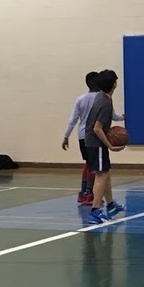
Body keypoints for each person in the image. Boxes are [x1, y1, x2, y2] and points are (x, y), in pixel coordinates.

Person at [83, 70, 126, 225]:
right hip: (96, 142)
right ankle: (95, 212)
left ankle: (111, 205)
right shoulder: (105, 102)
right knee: (101, 175)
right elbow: (97, 128)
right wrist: (110, 145)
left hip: (93, 141)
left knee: (105, 172)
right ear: (114, 84)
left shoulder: (102, 96)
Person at [62, 70, 101, 206]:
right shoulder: (100, 98)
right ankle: (89, 194)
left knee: (88, 164)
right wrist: (123, 117)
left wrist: (66, 136)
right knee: (93, 166)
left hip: (81, 135)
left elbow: (73, 119)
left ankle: (83, 192)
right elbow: (112, 114)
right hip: (94, 136)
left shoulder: (80, 99)